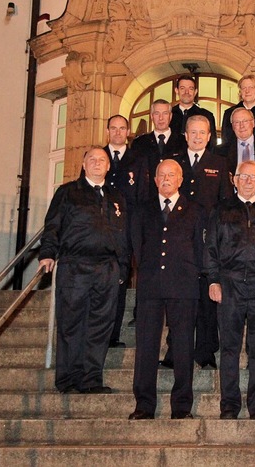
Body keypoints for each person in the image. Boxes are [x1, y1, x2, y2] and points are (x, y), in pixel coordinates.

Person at [38, 147, 129, 394]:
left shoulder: (117, 196)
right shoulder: (68, 192)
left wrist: (123, 268)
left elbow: (123, 235)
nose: (97, 163)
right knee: (70, 324)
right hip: (74, 266)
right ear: (84, 163)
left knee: (100, 327)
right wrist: (47, 253)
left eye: (102, 160)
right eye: (92, 159)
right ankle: (68, 379)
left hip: (107, 270)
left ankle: (91, 380)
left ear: (109, 166)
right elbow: (53, 225)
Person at [205, 160, 255, 421]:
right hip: (230, 286)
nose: (249, 181)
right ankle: (229, 405)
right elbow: (210, 249)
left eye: (254, 177)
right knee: (229, 348)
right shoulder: (220, 210)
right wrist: (213, 280)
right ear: (234, 179)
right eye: (243, 176)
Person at [129, 159, 206, 420]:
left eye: (171, 175)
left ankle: (182, 406)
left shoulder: (195, 210)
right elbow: (138, 247)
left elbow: (199, 248)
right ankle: (144, 405)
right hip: (150, 285)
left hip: (184, 285)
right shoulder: (142, 210)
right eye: (161, 174)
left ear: (180, 179)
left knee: (183, 346)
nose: (166, 179)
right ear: (154, 179)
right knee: (146, 346)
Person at [169, 114, 232, 370]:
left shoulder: (219, 163)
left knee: (208, 298)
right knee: (178, 297)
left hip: (208, 241)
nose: (197, 136)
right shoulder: (173, 162)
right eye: (192, 132)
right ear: (185, 135)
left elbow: (225, 204)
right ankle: (174, 351)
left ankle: (206, 351)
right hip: (178, 240)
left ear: (210, 136)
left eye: (202, 132)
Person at [103, 114, 147, 348]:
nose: (118, 132)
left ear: (128, 131)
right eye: (114, 128)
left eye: (122, 128)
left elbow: (142, 196)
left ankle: (113, 334)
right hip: (101, 229)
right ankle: (99, 331)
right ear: (107, 130)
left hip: (128, 228)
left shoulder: (137, 159)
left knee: (122, 277)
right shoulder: (97, 157)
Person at [130, 99, 187, 199]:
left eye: (165, 113)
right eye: (157, 113)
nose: (161, 118)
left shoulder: (183, 142)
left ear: (170, 116)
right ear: (152, 116)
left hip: (175, 199)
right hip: (147, 200)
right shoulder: (139, 143)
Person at [169, 75, 217, 150]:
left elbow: (212, 144)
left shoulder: (206, 115)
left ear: (195, 92)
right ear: (176, 91)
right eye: (182, 88)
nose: (186, 92)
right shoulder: (168, 114)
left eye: (190, 89)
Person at [216, 107, 255, 179]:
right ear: (233, 126)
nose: (242, 126)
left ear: (253, 123)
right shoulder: (220, 151)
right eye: (237, 122)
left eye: (245, 121)